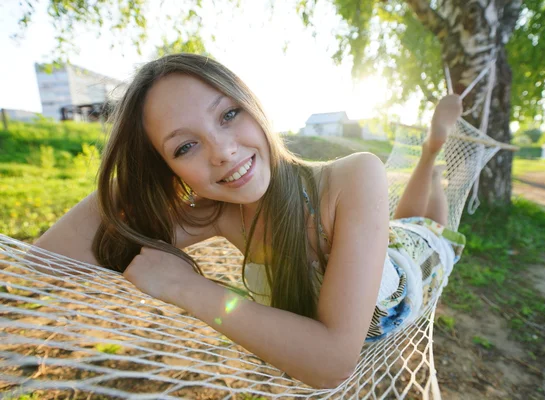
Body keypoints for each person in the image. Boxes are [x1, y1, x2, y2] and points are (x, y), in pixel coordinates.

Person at [33, 53, 465, 389]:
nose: (222, 151)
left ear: (255, 107)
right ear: (169, 171)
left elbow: (332, 363)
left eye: (228, 114)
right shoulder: (217, 215)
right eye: (185, 147)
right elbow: (45, 263)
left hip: (416, 268)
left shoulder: (353, 176)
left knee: (426, 230)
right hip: (383, 252)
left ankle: (431, 153)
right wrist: (135, 179)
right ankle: (429, 157)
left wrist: (186, 287)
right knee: (408, 224)